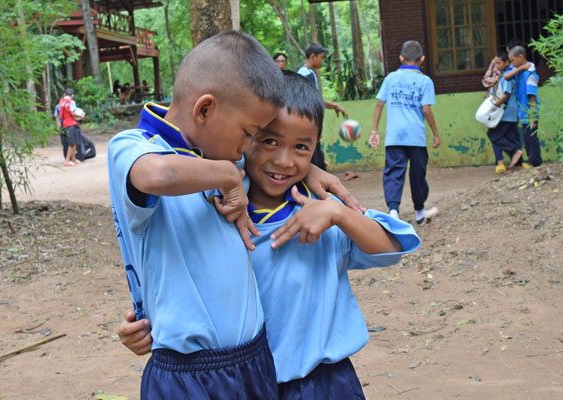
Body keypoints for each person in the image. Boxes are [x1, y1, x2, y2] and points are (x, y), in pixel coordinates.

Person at [117, 70, 421, 400]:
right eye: (269, 141)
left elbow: (393, 245)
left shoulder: (319, 209)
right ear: (243, 140)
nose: (284, 160)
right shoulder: (217, 208)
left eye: (301, 147)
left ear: (316, 146)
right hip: (244, 384)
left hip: (325, 384)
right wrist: (148, 327)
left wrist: (336, 213)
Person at [368, 40, 440, 225]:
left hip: (394, 137)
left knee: (393, 173)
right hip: (416, 136)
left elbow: (379, 104)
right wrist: (435, 133)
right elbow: (426, 109)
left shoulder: (391, 78)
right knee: (418, 174)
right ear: (422, 59)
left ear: (401, 58)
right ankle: (419, 212)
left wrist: (375, 130)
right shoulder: (425, 81)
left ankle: (393, 212)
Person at [297, 43, 348, 171]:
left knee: (317, 158)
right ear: (313, 56)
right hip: (308, 125)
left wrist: (334, 106)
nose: (322, 61)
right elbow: (309, 100)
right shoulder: (305, 74)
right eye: (321, 57)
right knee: (315, 162)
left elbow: (316, 99)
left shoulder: (309, 73)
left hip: (312, 125)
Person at [485, 50, 526, 174]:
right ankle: (517, 164)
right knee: (512, 136)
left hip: (506, 112)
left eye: (498, 63)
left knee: (493, 134)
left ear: (507, 62)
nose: (496, 66)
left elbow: (506, 94)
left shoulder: (508, 76)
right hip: (511, 112)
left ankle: (515, 151)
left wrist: (494, 106)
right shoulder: (504, 75)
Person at [506, 46, 542, 167]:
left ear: (521, 57)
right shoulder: (520, 71)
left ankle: (535, 163)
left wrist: (532, 117)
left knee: (532, 140)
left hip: (530, 113)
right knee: (527, 139)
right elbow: (506, 76)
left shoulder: (530, 75)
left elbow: (532, 97)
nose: (512, 63)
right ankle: (533, 162)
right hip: (523, 112)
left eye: (512, 60)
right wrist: (520, 67)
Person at [58, 88, 84, 167]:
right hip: (71, 124)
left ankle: (74, 159)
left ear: (65, 94)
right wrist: (81, 116)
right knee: (72, 143)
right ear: (72, 95)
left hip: (64, 124)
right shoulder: (71, 102)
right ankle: (67, 160)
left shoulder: (61, 101)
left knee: (74, 142)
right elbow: (72, 113)